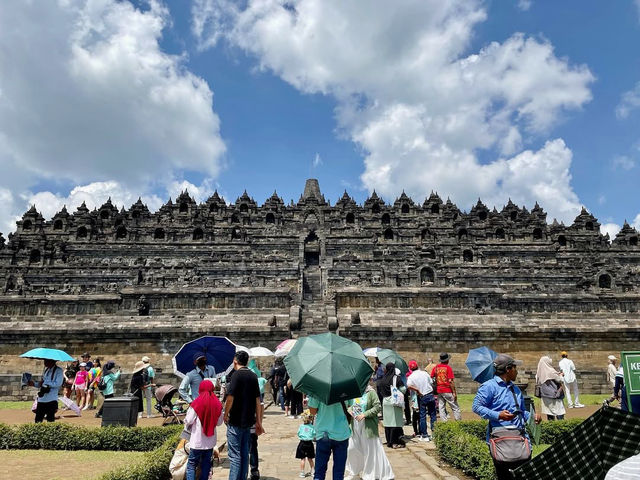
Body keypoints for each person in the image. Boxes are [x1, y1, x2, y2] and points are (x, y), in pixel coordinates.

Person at [472, 354, 541, 480]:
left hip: (519, 438)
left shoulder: (516, 389)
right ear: (508, 369)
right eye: (515, 368)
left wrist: (532, 416)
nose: (517, 371)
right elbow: (476, 407)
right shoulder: (489, 387)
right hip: (500, 440)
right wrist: (498, 415)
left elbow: (520, 412)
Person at [224, 351, 264, 480]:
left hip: (235, 420)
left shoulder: (236, 376)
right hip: (248, 421)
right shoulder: (253, 376)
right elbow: (258, 401)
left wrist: (225, 413)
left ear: (235, 361)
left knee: (235, 456)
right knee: (244, 453)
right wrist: (258, 421)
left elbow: (230, 397)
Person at [345, 381, 394, 480]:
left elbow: (377, 407)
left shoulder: (371, 392)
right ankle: (354, 471)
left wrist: (364, 414)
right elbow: (348, 405)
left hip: (368, 426)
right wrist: (349, 410)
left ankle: (370, 473)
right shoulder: (352, 392)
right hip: (355, 425)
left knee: (370, 450)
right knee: (352, 448)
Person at [183, 379, 224, 480]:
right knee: (206, 465)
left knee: (192, 464)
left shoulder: (196, 403)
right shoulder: (217, 404)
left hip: (197, 441)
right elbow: (219, 423)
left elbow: (188, 420)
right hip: (210, 442)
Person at [308, 393, 351, 480]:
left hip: (324, 433)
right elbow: (350, 407)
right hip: (341, 433)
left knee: (319, 472)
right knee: (339, 472)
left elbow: (313, 411)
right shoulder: (346, 387)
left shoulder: (318, 388)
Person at [377, 362, 406, 448]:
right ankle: (394, 442)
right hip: (394, 401)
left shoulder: (383, 379)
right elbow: (403, 390)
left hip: (385, 401)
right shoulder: (396, 378)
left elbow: (380, 390)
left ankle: (389, 441)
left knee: (387, 422)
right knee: (395, 422)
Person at [407, 359, 436, 441]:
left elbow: (408, 386)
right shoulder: (424, 373)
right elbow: (431, 382)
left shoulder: (411, 377)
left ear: (410, 369)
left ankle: (425, 435)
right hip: (430, 394)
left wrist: (417, 390)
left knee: (422, 416)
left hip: (422, 396)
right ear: (417, 366)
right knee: (433, 415)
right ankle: (435, 433)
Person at [430, 353, 461, 421]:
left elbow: (431, 377)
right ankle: (459, 422)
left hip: (439, 390)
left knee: (441, 407)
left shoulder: (436, 368)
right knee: (455, 407)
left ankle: (444, 423)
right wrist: (454, 392)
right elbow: (450, 381)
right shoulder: (448, 368)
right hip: (447, 390)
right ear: (447, 360)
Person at [535, 356, 566, 421]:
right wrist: (561, 375)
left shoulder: (539, 373)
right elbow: (560, 380)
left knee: (549, 413)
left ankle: (551, 427)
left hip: (545, 395)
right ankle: (562, 427)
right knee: (559, 412)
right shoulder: (551, 372)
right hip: (555, 395)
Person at [296, 412, 316, 478]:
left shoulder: (301, 426)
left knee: (303, 459)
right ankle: (313, 471)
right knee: (310, 458)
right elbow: (314, 434)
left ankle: (302, 472)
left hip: (302, 443)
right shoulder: (312, 427)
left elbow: (298, 433)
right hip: (309, 443)